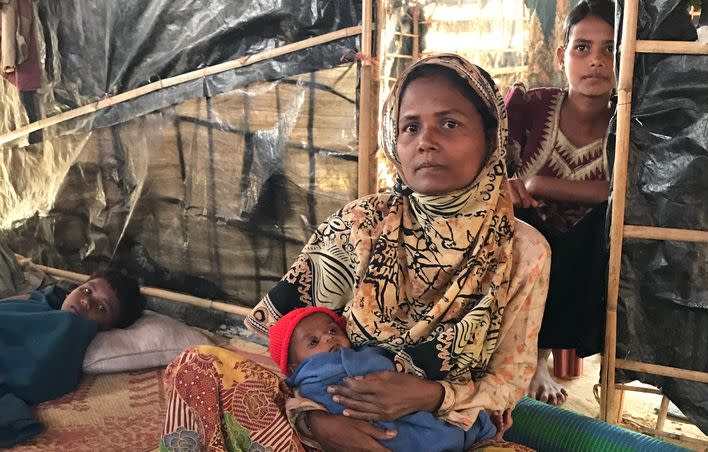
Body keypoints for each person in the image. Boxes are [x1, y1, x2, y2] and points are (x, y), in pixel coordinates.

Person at [161, 53, 550, 452]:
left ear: (490, 137)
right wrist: (316, 422)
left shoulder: (522, 250)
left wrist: (427, 396)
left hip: (443, 430)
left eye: (450, 124)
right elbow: (285, 345)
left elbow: (508, 382)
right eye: (410, 127)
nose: (426, 142)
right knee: (199, 368)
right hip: (329, 418)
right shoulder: (362, 223)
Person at [504, 0, 616, 406]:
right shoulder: (529, 108)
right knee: (518, 217)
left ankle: (542, 358)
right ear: (561, 56)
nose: (597, 61)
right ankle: (518, 357)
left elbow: (622, 194)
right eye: (582, 48)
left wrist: (538, 182)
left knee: (607, 224)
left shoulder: (631, 124)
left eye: (610, 48)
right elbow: (487, 169)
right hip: (527, 246)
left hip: (585, 267)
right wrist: (514, 186)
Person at [270, 306, 501, 451]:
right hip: (389, 431)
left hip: (361, 431)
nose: (328, 339)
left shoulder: (296, 390)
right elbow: (380, 365)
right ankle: (485, 431)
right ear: (295, 365)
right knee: (443, 434)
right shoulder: (337, 362)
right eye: (313, 342)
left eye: (332, 331)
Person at [0, 270, 146, 447]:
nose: (86, 301)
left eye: (102, 308)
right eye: (86, 291)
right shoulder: (42, 301)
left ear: (109, 329)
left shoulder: (70, 329)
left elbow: (40, 372)